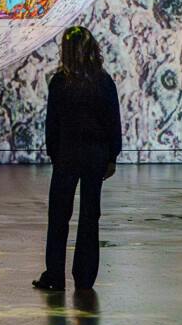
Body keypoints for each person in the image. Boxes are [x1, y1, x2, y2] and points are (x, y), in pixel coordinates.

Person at [34, 25, 121, 293]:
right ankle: (84, 279)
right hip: (95, 155)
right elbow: (112, 122)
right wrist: (112, 156)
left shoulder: (60, 82)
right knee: (89, 216)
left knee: (59, 216)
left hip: (67, 154)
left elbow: (53, 124)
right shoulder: (103, 81)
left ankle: (55, 276)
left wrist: (53, 153)